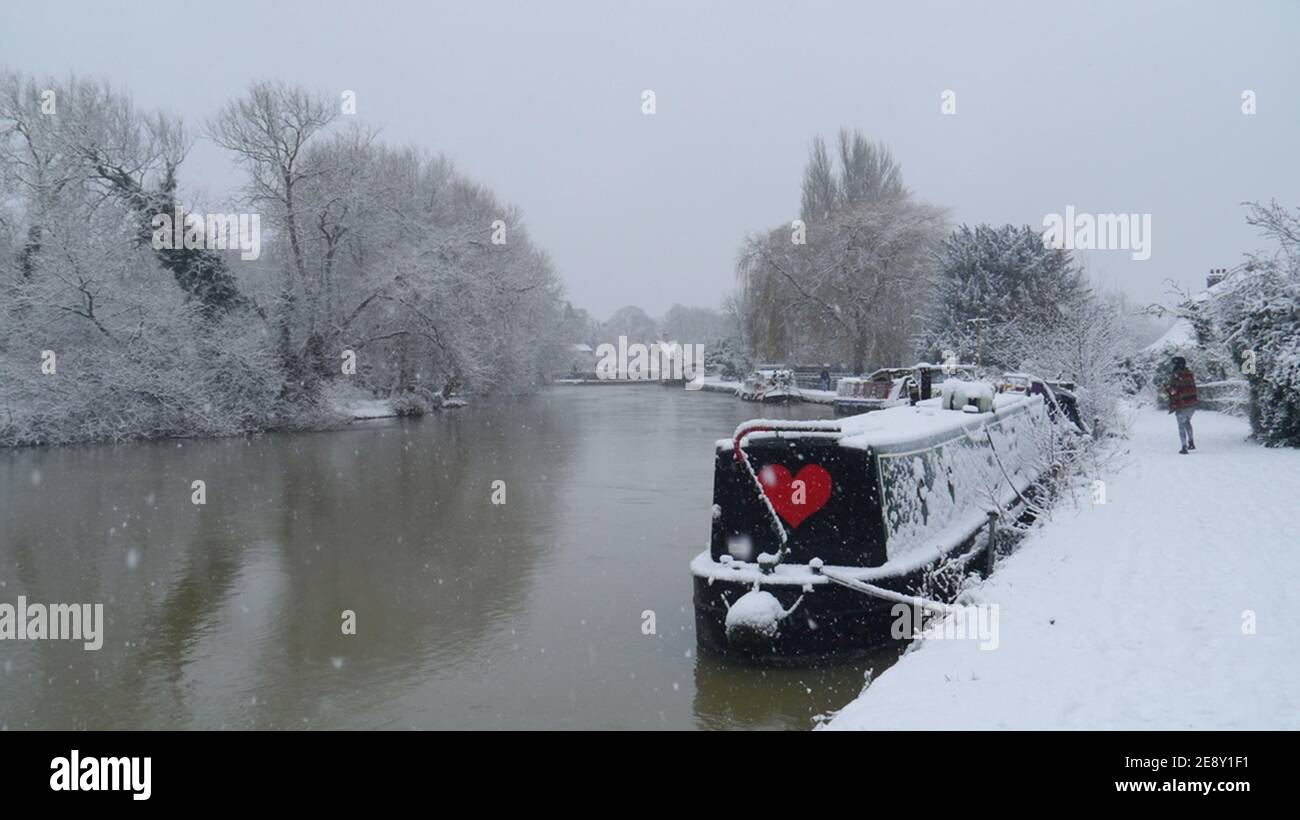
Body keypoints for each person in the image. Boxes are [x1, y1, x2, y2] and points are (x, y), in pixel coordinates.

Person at [1165, 356, 1199, 454]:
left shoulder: (1176, 375)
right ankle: (1191, 442)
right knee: (1187, 422)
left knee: (1181, 425)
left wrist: (1166, 389)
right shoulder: (1189, 373)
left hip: (1182, 403)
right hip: (1192, 403)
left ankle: (1184, 447)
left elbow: (1174, 390)